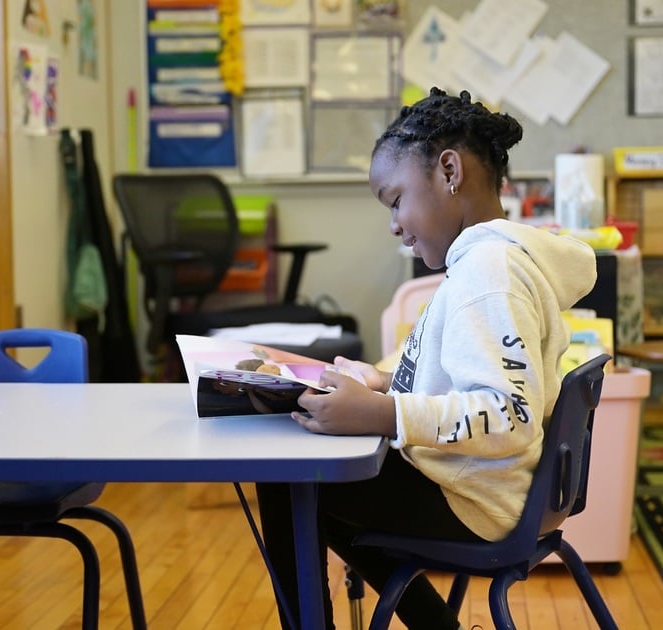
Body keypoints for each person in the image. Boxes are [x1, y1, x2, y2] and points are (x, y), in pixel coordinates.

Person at [255, 87, 598, 630]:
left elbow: (509, 415)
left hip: (475, 501)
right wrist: (386, 381)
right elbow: (461, 376)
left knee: (289, 477)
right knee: (314, 488)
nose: (393, 223)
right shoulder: (485, 262)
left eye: (395, 200)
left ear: (448, 171)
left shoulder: (489, 273)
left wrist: (382, 414)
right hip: (487, 487)